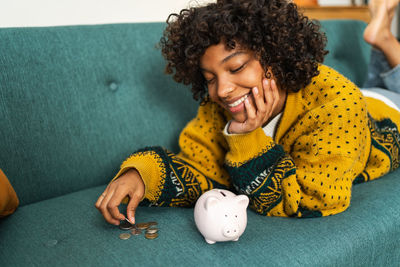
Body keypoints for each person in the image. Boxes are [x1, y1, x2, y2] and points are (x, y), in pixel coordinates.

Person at [95, 0, 400, 225]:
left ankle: (383, 38)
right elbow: (201, 167)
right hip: (361, 98)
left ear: (275, 54)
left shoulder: (337, 103)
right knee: (375, 81)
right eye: (210, 78)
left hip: (386, 113)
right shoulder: (221, 106)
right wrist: (142, 174)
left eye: (236, 67)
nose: (222, 90)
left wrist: (248, 140)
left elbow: (318, 197)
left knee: (389, 87)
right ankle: (382, 38)